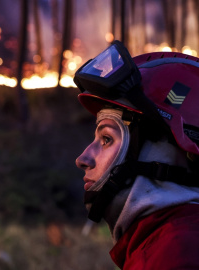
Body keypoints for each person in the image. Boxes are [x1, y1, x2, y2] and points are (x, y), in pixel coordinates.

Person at [74, 40, 199, 269]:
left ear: (165, 154)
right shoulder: (163, 244)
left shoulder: (175, 256)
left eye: (107, 139)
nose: (83, 159)